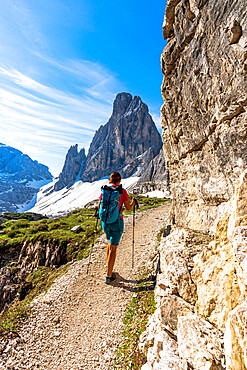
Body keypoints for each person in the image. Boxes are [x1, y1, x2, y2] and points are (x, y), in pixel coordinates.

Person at [97, 171, 136, 284]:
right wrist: (133, 202)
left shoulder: (105, 190)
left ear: (110, 180)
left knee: (109, 242)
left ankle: (108, 267)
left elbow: (99, 206)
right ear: (119, 180)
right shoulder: (121, 191)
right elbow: (128, 208)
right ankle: (109, 276)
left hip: (105, 222)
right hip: (117, 222)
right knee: (113, 248)